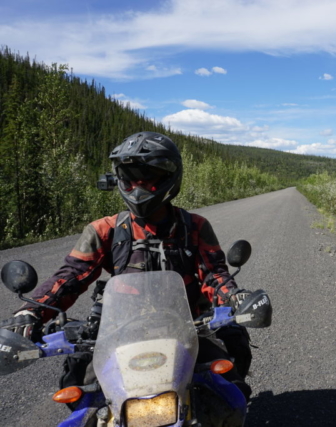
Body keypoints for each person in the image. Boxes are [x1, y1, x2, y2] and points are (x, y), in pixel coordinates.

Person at [0, 131, 252, 399]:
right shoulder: (104, 230)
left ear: (170, 177)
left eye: (148, 178)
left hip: (188, 330)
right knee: (82, 393)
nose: (138, 188)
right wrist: (30, 312)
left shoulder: (195, 227)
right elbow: (71, 275)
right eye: (130, 180)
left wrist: (234, 297)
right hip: (122, 333)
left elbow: (214, 274)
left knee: (231, 389)